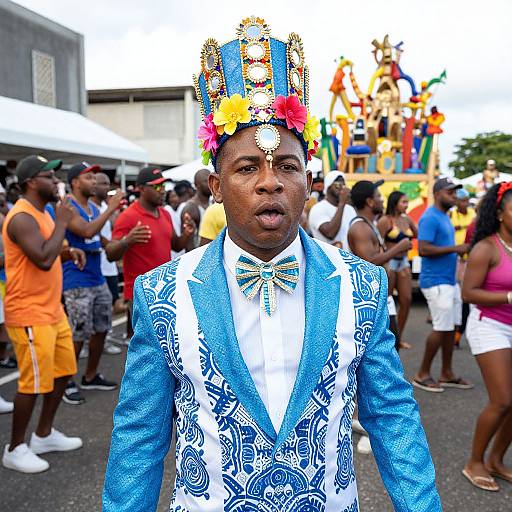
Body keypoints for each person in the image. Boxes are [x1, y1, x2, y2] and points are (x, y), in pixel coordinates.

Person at [103, 18, 441, 512]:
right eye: (246, 168)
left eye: (287, 166)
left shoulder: (361, 284)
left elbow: (392, 418)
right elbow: (139, 437)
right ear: (215, 186)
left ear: (307, 181)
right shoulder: (162, 291)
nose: (270, 183)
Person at [1, 155, 84, 473]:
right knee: (32, 384)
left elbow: (49, 251)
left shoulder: (43, 212)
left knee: (63, 373)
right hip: (29, 313)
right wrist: (63, 223)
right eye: (48, 176)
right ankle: (15, 448)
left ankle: (44, 435)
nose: (56, 181)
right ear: (30, 182)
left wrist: (66, 251)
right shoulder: (22, 217)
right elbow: (41, 259)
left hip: (52, 310)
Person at [59, 162, 124, 405]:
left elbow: (101, 238)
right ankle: (66, 381)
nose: (94, 182)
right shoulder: (67, 205)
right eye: (88, 178)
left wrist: (123, 243)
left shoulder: (94, 209)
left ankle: (90, 375)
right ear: (75, 181)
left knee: (101, 327)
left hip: (96, 276)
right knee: (78, 332)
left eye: (94, 178)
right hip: (76, 278)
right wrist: (111, 209)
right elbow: (86, 232)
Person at [461, 182, 512, 492]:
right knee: (503, 400)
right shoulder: (486, 248)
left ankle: (496, 459)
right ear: (501, 214)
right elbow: (468, 293)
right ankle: (474, 462)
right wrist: (507, 297)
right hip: (488, 324)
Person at [106, 166, 195, 339]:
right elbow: (110, 254)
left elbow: (176, 246)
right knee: (143, 345)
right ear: (140, 189)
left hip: (165, 289)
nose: (161, 191)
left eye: (162, 186)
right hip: (140, 293)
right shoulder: (129, 216)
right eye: (156, 187)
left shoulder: (164, 213)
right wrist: (127, 241)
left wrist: (186, 234)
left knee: (167, 341)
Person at [413, 178, 472, 393]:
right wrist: (455, 249)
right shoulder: (430, 217)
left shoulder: (444, 216)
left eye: (456, 193)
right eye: (450, 193)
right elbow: (423, 250)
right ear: (438, 194)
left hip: (448, 280)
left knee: (451, 328)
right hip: (436, 281)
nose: (454, 197)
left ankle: (447, 373)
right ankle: (422, 374)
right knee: (441, 327)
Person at [348, 180, 412, 350]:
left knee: (392, 346)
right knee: (387, 348)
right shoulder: (360, 227)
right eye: (378, 196)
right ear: (370, 202)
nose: (382, 200)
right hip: (369, 299)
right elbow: (368, 261)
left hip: (382, 296)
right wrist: (398, 248)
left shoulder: (370, 224)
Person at [377, 190, 418, 349]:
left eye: (407, 202)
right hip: (390, 263)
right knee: (387, 301)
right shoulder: (385, 220)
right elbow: (378, 243)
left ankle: (398, 337)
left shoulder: (405, 219)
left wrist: (409, 221)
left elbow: (416, 234)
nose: (406, 205)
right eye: (404, 202)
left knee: (406, 300)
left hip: (404, 262)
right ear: (395, 203)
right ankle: (385, 336)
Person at [91, 172, 123, 354]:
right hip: (97, 266)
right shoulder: (91, 207)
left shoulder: (105, 205)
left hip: (108, 265)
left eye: (107, 184)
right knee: (95, 309)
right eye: (102, 184)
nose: (106, 188)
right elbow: (93, 233)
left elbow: (112, 229)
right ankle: (93, 342)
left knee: (109, 304)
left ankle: (105, 338)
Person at [449, 188, 476, 346]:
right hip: (456, 259)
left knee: (466, 299)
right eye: (462, 200)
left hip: (471, 260)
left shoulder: (473, 214)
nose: (465, 203)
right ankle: (455, 330)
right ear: (456, 202)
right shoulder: (451, 215)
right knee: (456, 298)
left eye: (467, 199)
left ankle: (459, 333)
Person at [308, 171, 356, 250]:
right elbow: (330, 233)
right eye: (338, 185)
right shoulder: (318, 208)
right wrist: (342, 203)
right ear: (328, 186)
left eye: (343, 185)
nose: (342, 187)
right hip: (327, 259)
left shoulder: (350, 209)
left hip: (349, 259)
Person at [181, 169, 212, 250]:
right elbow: (188, 244)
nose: (210, 184)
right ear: (196, 185)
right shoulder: (191, 207)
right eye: (206, 181)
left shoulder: (213, 203)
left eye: (211, 179)